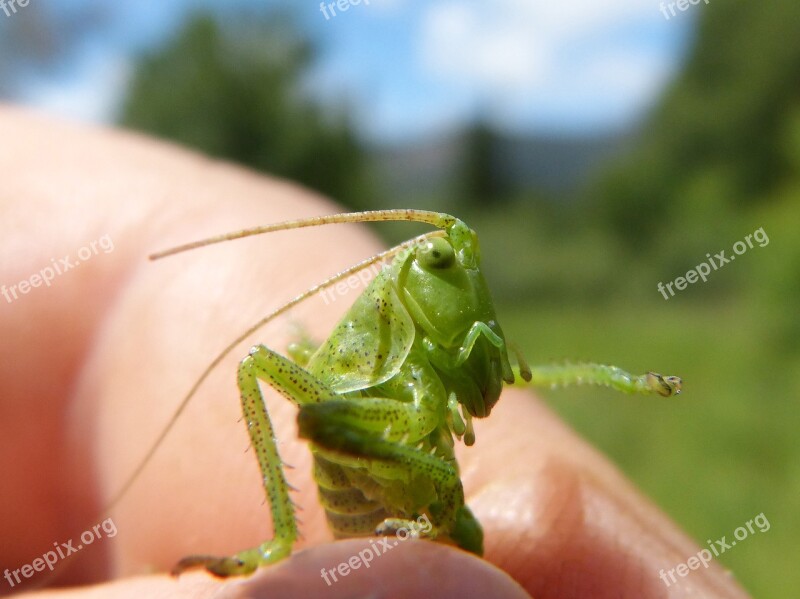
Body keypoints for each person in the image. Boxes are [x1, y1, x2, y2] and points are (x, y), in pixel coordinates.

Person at [0, 106, 751, 598]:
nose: (467, 280)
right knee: (266, 365)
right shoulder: (403, 292)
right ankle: (283, 537)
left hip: (414, 487)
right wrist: (430, 478)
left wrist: (624, 378)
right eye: (451, 270)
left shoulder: (455, 322)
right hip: (356, 460)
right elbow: (323, 409)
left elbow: (514, 375)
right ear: (424, 277)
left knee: (479, 540)